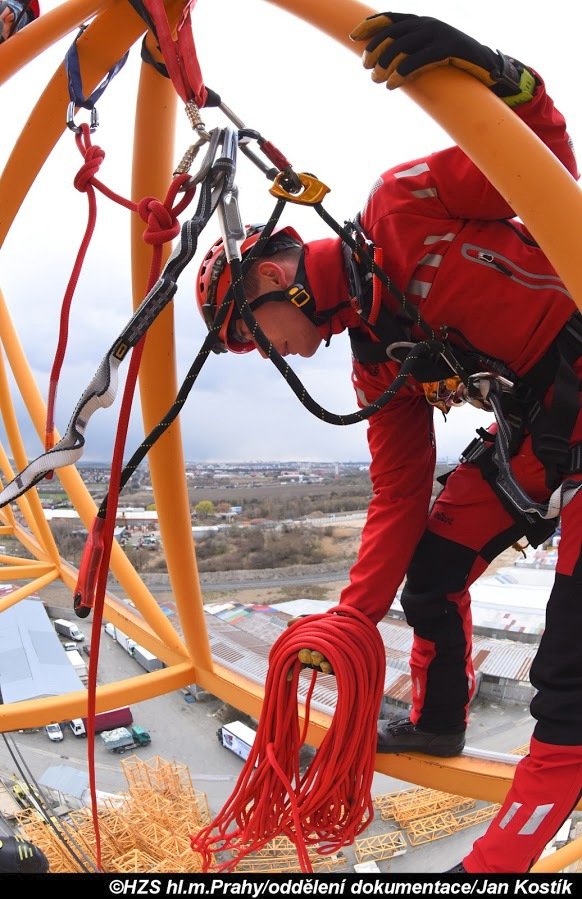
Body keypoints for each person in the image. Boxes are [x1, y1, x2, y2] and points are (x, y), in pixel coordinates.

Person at [196, 13, 582, 874]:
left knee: (568, 661)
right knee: (434, 569)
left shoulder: (404, 203)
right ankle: (442, 717)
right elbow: (400, 495)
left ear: (269, 278)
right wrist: (350, 620)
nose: (275, 354)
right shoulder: (377, 358)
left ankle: (525, 824)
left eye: (257, 337)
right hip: (544, 429)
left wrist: (488, 70)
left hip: (577, 390)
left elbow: (543, 159)